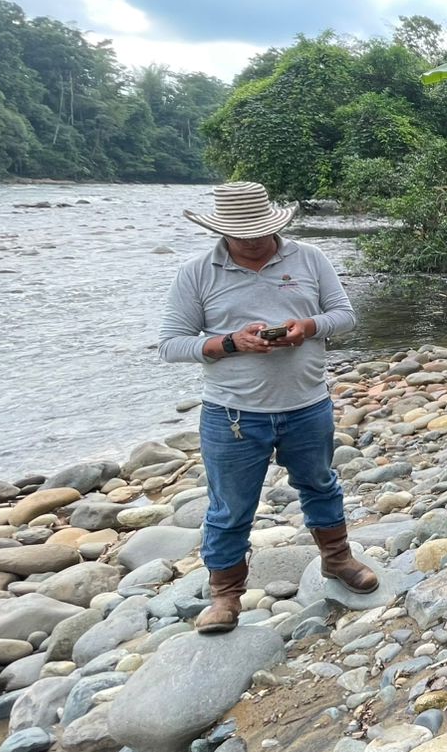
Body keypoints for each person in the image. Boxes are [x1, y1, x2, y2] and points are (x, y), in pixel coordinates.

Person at [159, 181, 377, 635]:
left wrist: (308, 326)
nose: (255, 240)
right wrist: (230, 343)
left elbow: (345, 316)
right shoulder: (196, 273)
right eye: (244, 234)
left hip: (307, 403)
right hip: (232, 414)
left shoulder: (309, 259)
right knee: (230, 507)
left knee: (320, 485)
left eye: (260, 231)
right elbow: (171, 344)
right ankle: (225, 595)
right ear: (222, 231)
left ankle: (338, 559)